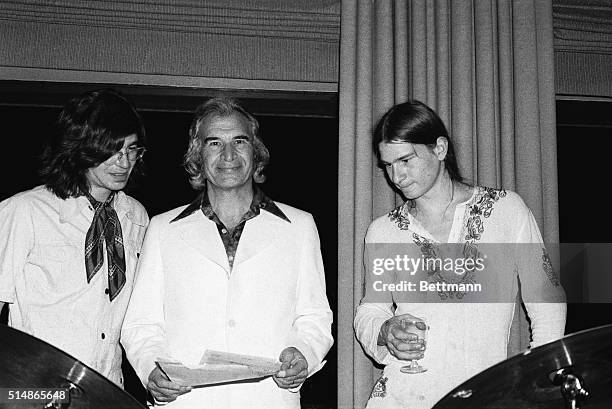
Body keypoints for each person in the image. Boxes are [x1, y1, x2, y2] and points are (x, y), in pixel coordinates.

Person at [121, 96, 333, 408]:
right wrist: (152, 368)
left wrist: (304, 352)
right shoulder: (163, 229)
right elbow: (141, 324)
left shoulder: (300, 226)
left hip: (269, 400)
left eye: (239, 141)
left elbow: (314, 317)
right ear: (198, 155)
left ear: (255, 151)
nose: (228, 154)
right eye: (214, 143)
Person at [354, 100, 566, 408]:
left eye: (405, 161)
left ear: (439, 149)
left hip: (485, 395)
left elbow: (547, 302)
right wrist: (385, 330)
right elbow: (370, 311)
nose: (396, 177)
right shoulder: (383, 231)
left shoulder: (506, 211)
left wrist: (536, 378)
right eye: (388, 165)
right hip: (402, 397)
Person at [0, 89, 149, 387]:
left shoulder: (136, 217)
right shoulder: (24, 211)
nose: (123, 163)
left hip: (107, 389)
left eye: (131, 150)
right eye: (111, 150)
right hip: (35, 388)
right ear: (80, 148)